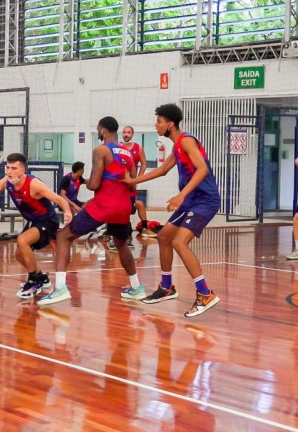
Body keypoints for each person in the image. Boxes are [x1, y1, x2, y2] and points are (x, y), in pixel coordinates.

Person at [124, 103, 221, 318]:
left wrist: (181, 195)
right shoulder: (177, 145)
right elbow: (162, 170)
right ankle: (166, 287)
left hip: (205, 200)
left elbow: (203, 168)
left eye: (159, 121)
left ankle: (205, 294)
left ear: (170, 124)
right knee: (164, 236)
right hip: (191, 201)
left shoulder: (186, 140)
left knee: (178, 242)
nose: (156, 125)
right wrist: (132, 180)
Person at [39, 116, 144, 306]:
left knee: (63, 236)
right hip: (123, 207)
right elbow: (131, 185)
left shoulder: (101, 150)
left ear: (103, 130)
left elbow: (95, 184)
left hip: (104, 206)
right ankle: (136, 287)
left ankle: (60, 288)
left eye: (97, 129)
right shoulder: (128, 154)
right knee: (121, 244)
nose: (97, 132)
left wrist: (87, 182)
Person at [0, 153, 72, 298]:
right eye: (8, 167)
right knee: (19, 255)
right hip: (34, 221)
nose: (9, 171)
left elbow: (59, 198)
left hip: (47, 222)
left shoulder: (34, 184)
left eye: (13, 168)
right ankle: (41, 277)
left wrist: (67, 211)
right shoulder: (6, 181)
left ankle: (34, 281)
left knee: (22, 240)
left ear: (22, 170)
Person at [121, 125, 158, 240]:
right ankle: (118, 229)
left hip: (131, 184)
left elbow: (144, 164)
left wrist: (138, 179)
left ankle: (144, 228)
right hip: (118, 184)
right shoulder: (118, 147)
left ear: (132, 134)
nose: (126, 134)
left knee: (135, 206)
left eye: (129, 132)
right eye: (124, 132)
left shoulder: (138, 148)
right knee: (121, 206)